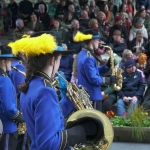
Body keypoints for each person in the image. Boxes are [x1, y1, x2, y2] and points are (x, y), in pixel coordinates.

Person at [9, 31, 100, 149]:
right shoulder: (45, 91)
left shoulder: (32, 84)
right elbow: (49, 143)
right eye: (60, 59)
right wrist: (81, 130)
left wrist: (68, 101)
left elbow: (46, 118)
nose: (59, 64)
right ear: (52, 60)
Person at [74, 29, 117, 111]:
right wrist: (108, 80)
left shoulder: (82, 54)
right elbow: (93, 78)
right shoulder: (88, 58)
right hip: (92, 95)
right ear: (92, 41)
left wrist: (106, 66)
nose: (99, 42)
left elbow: (94, 71)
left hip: (86, 95)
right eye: (97, 40)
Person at [0, 45, 24, 150]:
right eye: (10, 60)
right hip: (8, 128)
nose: (12, 62)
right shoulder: (4, 80)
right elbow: (9, 108)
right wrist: (21, 118)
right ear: (4, 62)